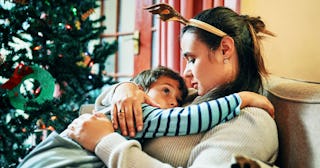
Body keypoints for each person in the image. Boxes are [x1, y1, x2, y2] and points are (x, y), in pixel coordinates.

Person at [66, 5, 279, 168]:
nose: (186, 73)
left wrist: (104, 142)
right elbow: (101, 103)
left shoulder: (250, 121)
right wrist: (126, 89)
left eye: (192, 59)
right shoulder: (192, 97)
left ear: (225, 49)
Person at [17, 66, 272, 168]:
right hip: (61, 157)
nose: (173, 102)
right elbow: (189, 118)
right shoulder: (141, 110)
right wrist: (241, 99)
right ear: (142, 92)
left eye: (177, 98)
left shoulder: (249, 125)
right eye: (165, 91)